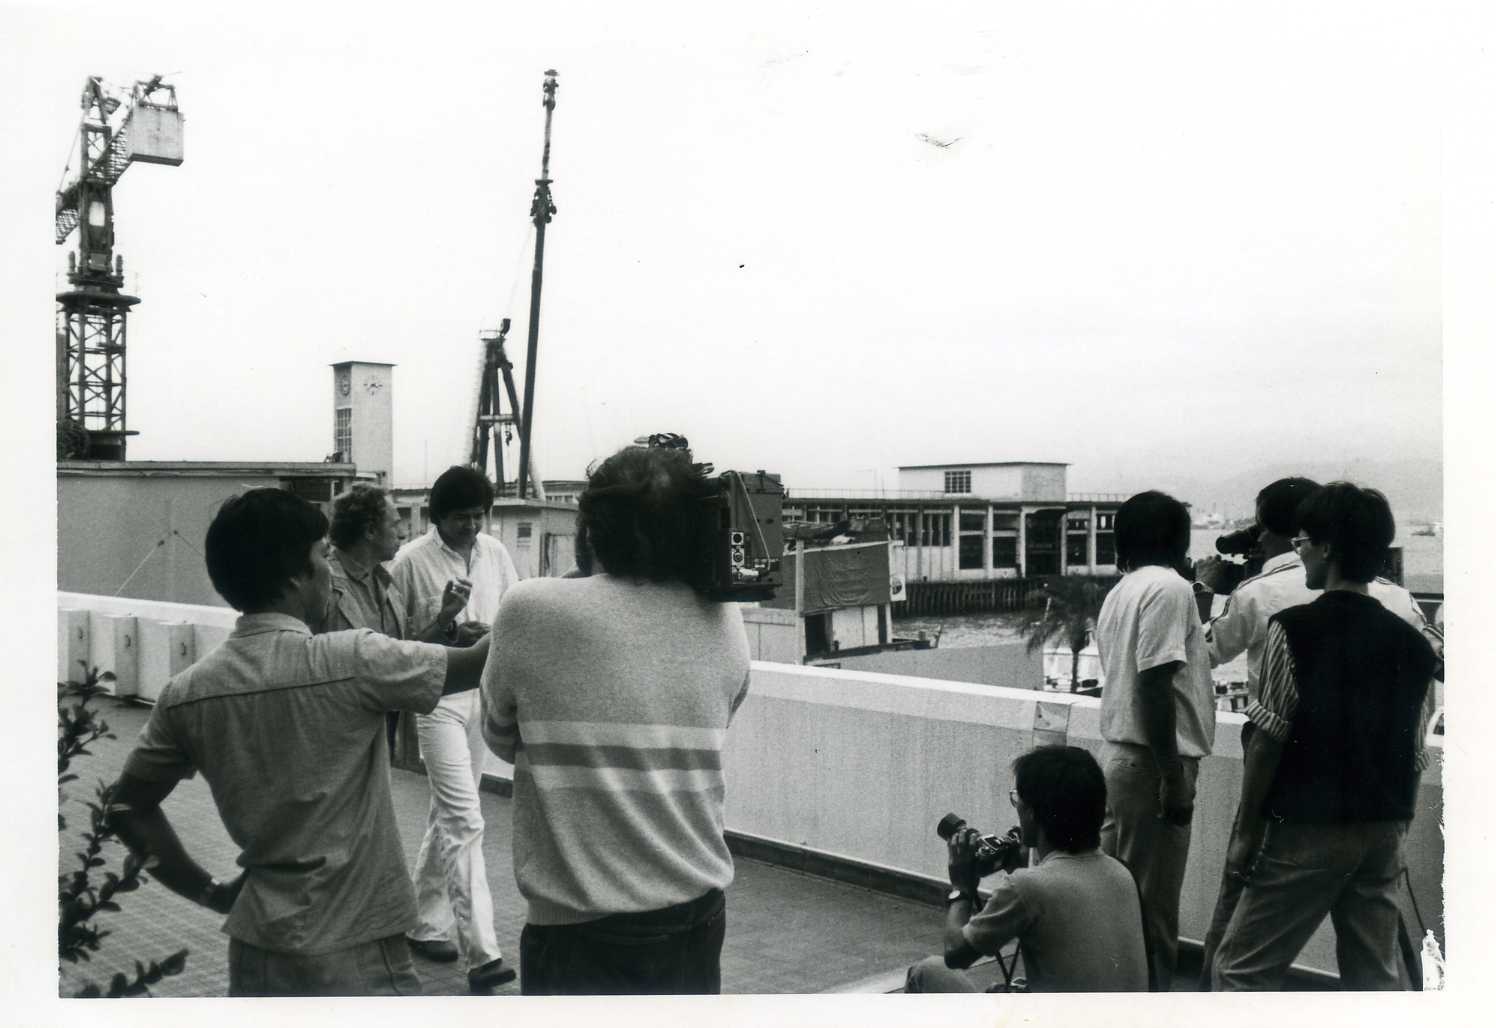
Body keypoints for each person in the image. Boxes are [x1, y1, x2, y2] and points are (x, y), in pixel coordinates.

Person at [105, 487, 493, 996]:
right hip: (358, 944)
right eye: (320, 556)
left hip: (256, 948)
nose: (330, 570)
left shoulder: (187, 693)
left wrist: (211, 892)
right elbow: (478, 665)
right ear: (295, 576)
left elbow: (126, 807)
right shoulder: (351, 659)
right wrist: (533, 608)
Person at [480, 443, 752, 994]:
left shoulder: (530, 608)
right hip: (697, 915)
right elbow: (720, 714)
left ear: (592, 529)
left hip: (578, 930)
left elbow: (500, 735)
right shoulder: (726, 619)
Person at [1194, 477, 1444, 988]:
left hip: (1306, 826)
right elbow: (1415, 752)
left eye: (1302, 543)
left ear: (1326, 548)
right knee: (1374, 975)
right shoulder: (1414, 639)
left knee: (1240, 971)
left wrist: (1246, 834)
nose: (1298, 552)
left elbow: (1268, 739)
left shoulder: (1293, 627)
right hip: (1383, 827)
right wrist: (1396, 822)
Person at [389, 465, 520, 991]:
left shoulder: (496, 553)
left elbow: (514, 613)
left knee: (448, 812)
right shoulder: (409, 563)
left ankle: (423, 924)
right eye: (461, 518)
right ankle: (482, 954)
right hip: (436, 699)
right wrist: (446, 623)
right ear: (437, 516)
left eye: (478, 516)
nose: (472, 526)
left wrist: (488, 632)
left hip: (482, 695)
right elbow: (394, 647)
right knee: (466, 818)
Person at [1093, 490, 1216, 991]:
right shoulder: (1170, 588)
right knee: (1152, 910)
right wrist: (1172, 777)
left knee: (1119, 902)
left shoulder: (1122, 591)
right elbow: (1154, 684)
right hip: (1152, 765)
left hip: (1120, 761)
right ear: (1181, 541)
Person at [905, 746, 1149, 993]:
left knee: (926, 971)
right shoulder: (1122, 874)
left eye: (1017, 800)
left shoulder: (1027, 887)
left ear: (1032, 813)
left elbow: (955, 954)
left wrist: (961, 889)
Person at [318, 484, 471, 756]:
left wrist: (445, 617)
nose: (403, 533)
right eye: (395, 524)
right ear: (369, 531)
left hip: (378, 730)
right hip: (335, 734)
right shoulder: (322, 585)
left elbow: (402, 657)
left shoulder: (385, 582)